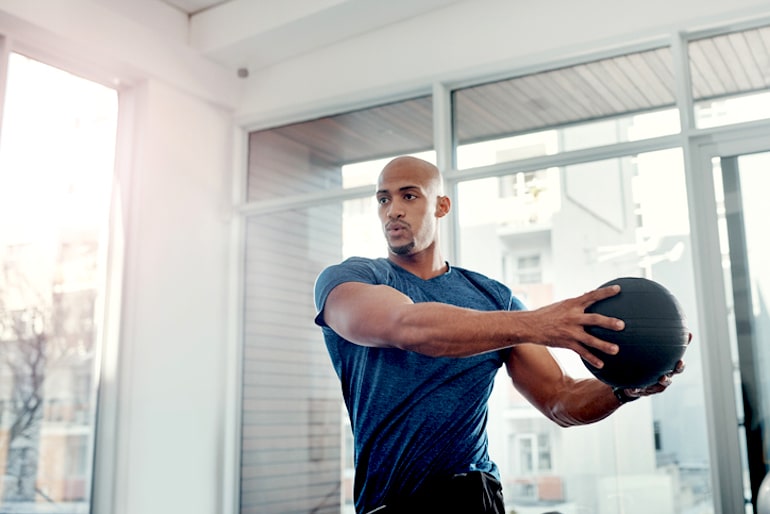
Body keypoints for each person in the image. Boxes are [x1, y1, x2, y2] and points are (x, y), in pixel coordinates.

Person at [313, 156, 687, 514]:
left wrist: (623, 389)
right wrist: (539, 323)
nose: (393, 209)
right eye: (383, 198)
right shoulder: (349, 280)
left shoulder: (493, 298)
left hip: (472, 498)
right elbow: (407, 327)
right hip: (386, 502)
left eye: (409, 195)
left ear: (441, 206)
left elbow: (560, 398)